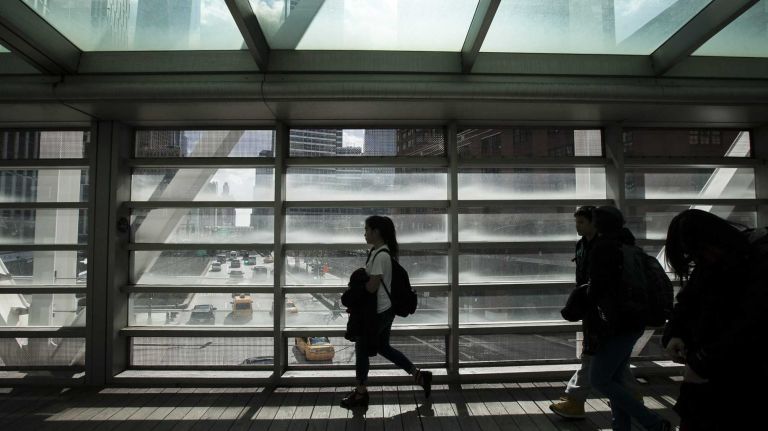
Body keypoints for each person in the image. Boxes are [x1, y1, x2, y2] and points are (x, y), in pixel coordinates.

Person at [663, 210, 768, 430]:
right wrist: (676, 333)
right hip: (722, 373)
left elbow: (749, 323)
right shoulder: (722, 259)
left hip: (735, 374)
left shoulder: (755, 263)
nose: (698, 259)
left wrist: (701, 361)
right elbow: (688, 302)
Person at [550, 206, 640, 419]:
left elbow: (597, 284)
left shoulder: (602, 248)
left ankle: (575, 401)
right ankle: (632, 399)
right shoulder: (591, 246)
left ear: (595, 223)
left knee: (591, 357)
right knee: (615, 362)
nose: (577, 226)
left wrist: (583, 299)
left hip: (602, 312)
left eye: (582, 222)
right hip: (604, 312)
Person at [586, 206, 671, 431]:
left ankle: (652, 423)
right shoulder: (630, 247)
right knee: (616, 379)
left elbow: (597, 290)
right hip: (635, 320)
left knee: (599, 380)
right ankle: (621, 427)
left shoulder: (603, 249)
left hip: (616, 323)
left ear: (596, 224)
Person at [340, 215, 432, 409]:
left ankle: (361, 392)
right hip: (384, 310)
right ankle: (419, 376)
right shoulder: (378, 252)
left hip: (378, 312)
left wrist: (354, 296)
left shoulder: (381, 255)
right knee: (384, 348)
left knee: (362, 348)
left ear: (376, 232)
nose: (364, 233)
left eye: (366, 229)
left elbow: (372, 286)